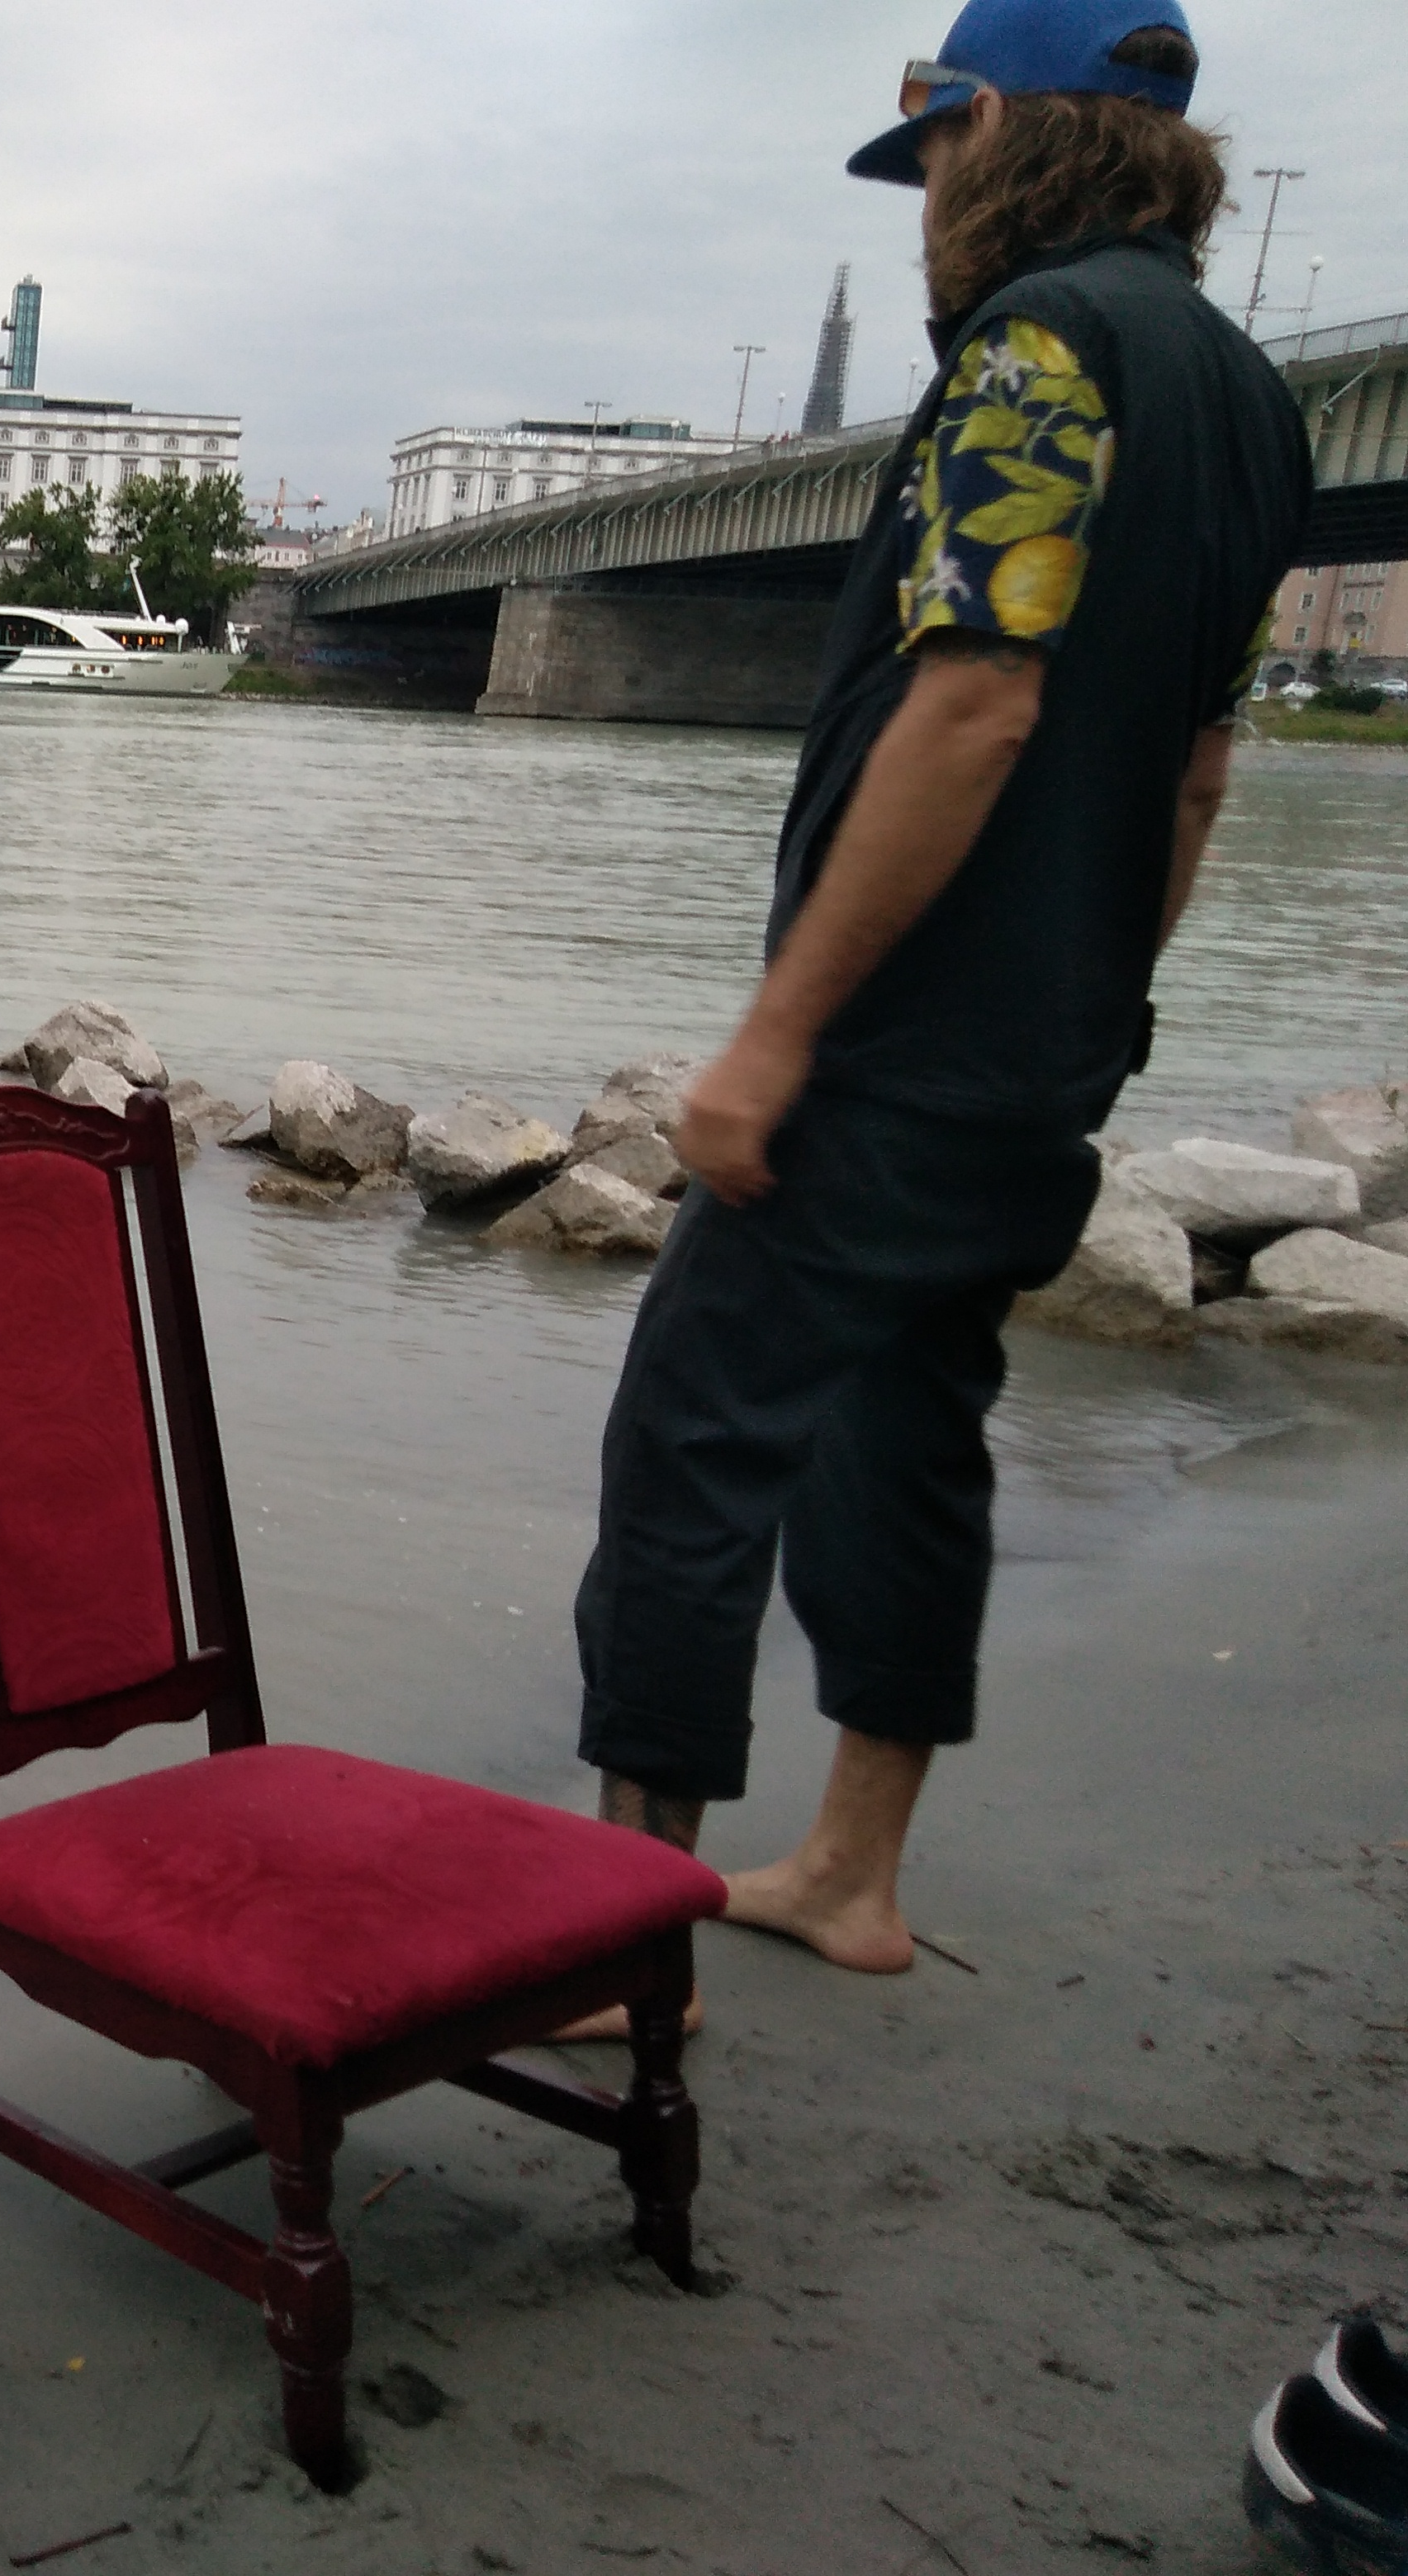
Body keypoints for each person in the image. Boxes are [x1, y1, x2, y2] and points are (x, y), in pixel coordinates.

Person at [567, 0, 1313, 2003]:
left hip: (894, 1049)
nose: (925, 216)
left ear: (997, 131)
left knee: (696, 1437)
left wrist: (779, 1039)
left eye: (933, 165)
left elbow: (978, 696)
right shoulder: (1252, 400)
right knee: (909, 1432)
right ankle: (847, 1876)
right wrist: (1095, 1008)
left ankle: (618, 1923)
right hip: (1045, 1056)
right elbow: (1195, 770)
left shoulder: (1037, 348)